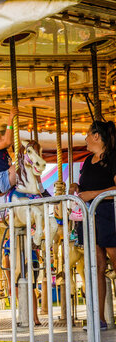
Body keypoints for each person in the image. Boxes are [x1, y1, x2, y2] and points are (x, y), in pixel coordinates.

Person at [69, 120, 116, 331]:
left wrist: (94, 195)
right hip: (91, 215)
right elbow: (86, 186)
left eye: (88, 134)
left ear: (97, 136)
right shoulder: (88, 161)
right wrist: (76, 187)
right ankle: (99, 318)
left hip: (109, 212)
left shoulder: (113, 157)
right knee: (96, 265)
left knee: (115, 260)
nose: (86, 138)